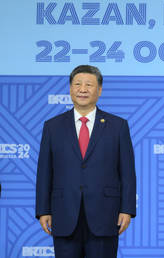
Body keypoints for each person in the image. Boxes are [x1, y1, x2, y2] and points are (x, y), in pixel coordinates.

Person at [35, 65, 136, 258]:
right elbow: (44, 171)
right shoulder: (52, 126)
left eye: (89, 85)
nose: (83, 89)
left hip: (106, 214)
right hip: (64, 213)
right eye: (77, 84)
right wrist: (43, 210)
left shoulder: (118, 126)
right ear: (70, 89)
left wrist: (127, 209)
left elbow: (127, 172)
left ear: (99, 90)